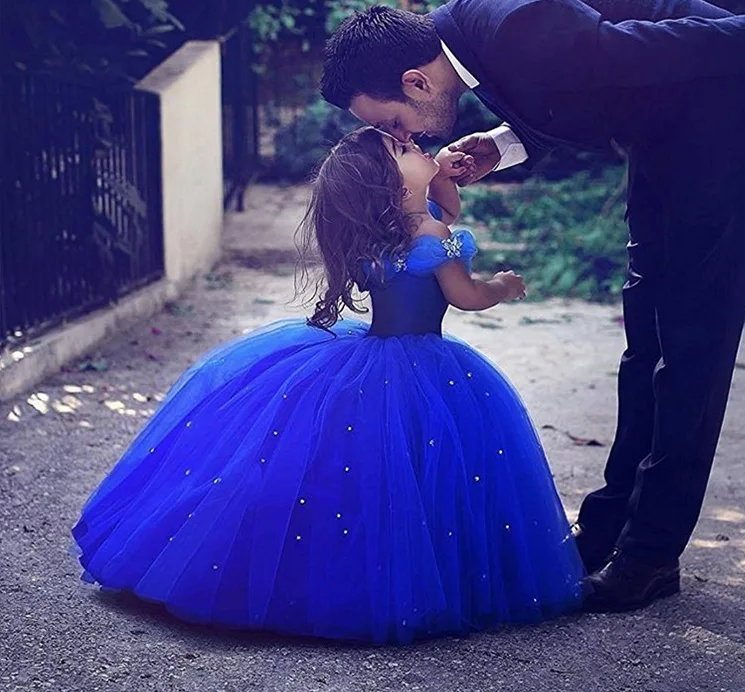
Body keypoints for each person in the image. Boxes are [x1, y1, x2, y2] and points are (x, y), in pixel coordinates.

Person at [319, 0, 745, 612]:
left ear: (416, 80)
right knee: (647, 335)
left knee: (692, 342)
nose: (409, 138)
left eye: (398, 122)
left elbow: (656, 49)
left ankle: (650, 555)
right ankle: (606, 529)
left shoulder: (511, 26)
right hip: (671, 132)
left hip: (728, 119)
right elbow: (586, 88)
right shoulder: (475, 34)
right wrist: (499, 145)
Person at [72, 127, 584, 644]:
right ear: (390, 185)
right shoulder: (430, 236)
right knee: (419, 466)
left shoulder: (385, 233)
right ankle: (409, 580)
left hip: (378, 352)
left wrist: (443, 173)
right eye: (403, 150)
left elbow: (443, 209)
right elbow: (467, 294)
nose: (417, 146)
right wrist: (503, 285)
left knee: (359, 467)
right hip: (423, 362)